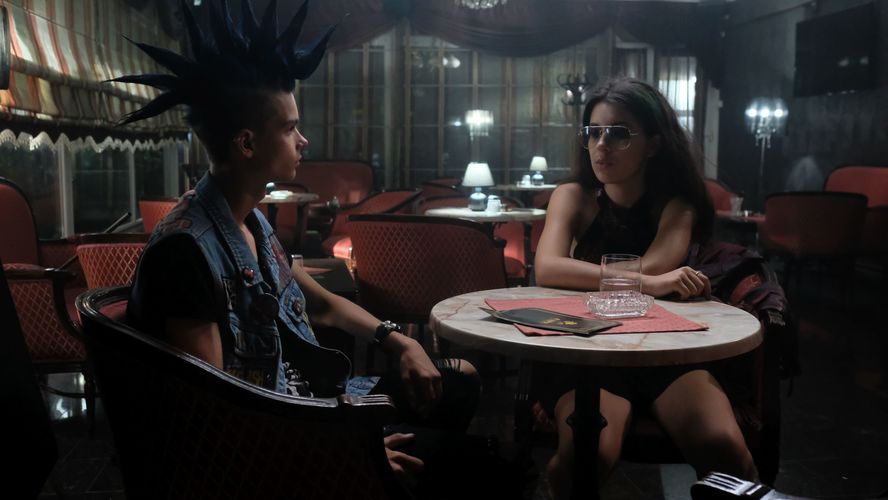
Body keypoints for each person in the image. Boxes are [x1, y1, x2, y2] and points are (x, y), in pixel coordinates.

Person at [117, 0, 480, 492]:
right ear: (247, 144)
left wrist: (400, 341)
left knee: (458, 381)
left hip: (303, 401)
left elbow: (320, 303)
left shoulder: (250, 221)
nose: (303, 140)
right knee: (478, 467)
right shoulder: (185, 251)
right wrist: (343, 450)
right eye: (289, 128)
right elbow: (216, 414)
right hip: (273, 447)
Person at [533, 77, 757, 498]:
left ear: (653, 144)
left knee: (726, 450)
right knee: (586, 455)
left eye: (618, 133)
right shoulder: (572, 195)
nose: (601, 145)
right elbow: (547, 268)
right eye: (593, 132)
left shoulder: (678, 204)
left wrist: (628, 277)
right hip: (587, 348)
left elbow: (656, 264)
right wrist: (651, 283)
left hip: (663, 348)